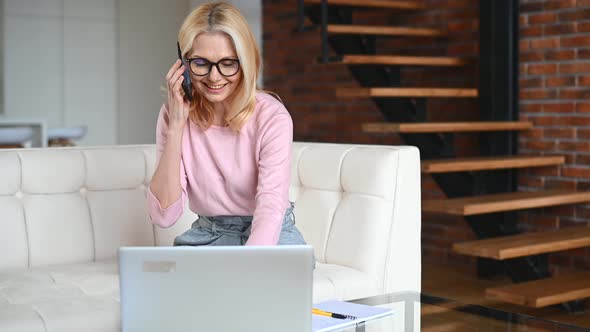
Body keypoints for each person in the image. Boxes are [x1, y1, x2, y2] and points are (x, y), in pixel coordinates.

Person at [147, 1, 308, 247]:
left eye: (228, 63)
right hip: (208, 233)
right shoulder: (172, 115)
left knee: (254, 283)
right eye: (201, 63)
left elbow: (270, 206)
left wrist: (247, 266)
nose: (214, 76)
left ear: (246, 62)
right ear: (183, 63)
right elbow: (163, 215)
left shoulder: (272, 116)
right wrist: (178, 123)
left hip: (271, 234)